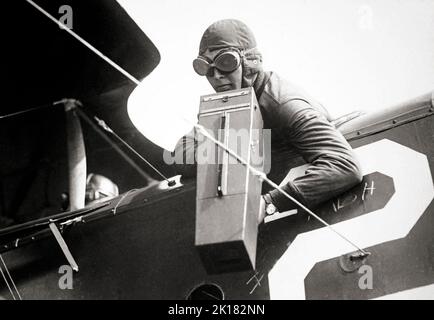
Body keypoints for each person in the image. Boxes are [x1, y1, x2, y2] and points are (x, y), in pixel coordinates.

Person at [175, 19, 362, 223]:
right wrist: (228, 149)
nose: (217, 76)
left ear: (248, 64)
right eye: (206, 68)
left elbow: (344, 166)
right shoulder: (230, 101)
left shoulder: (283, 104)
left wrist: (268, 204)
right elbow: (181, 153)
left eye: (226, 63)